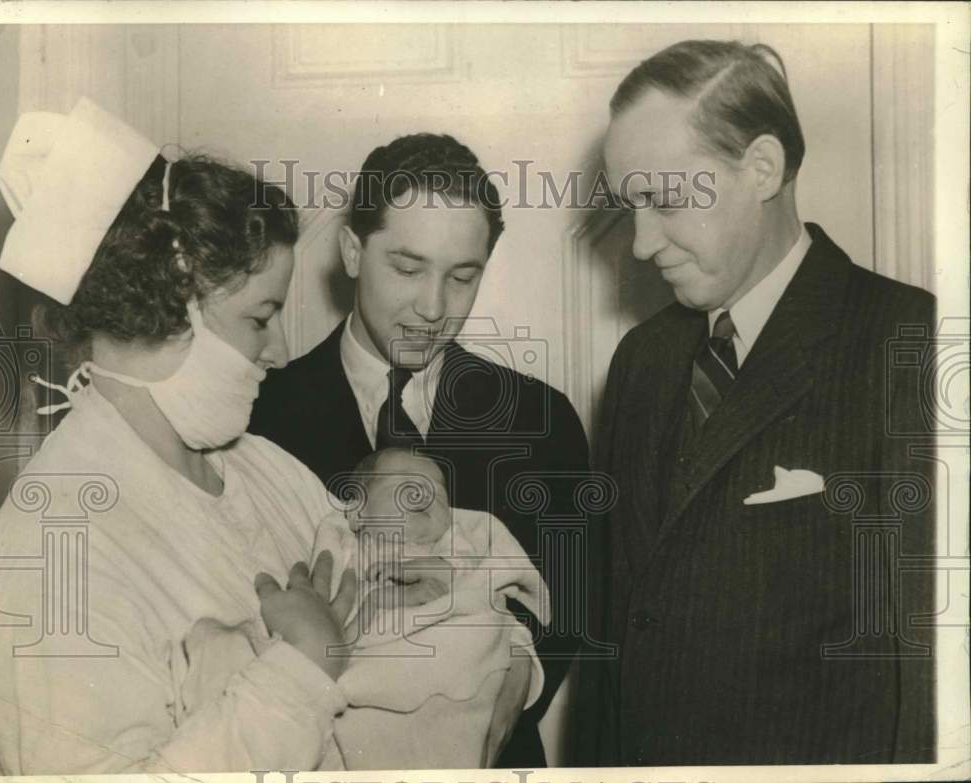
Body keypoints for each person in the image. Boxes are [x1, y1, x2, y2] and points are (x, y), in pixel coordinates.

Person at [0, 99, 524, 774]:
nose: (280, 348)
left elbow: (399, 591)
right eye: (260, 317)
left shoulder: (262, 468)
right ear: (162, 311)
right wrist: (299, 669)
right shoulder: (52, 548)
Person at [579, 40, 936, 765]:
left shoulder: (911, 342)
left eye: (666, 200)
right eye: (629, 207)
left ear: (762, 167)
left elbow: (930, 678)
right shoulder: (640, 362)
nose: (642, 244)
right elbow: (616, 637)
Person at [249, 133, 592, 767]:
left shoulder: (542, 420)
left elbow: (568, 604)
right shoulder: (258, 413)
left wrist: (526, 667)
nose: (433, 308)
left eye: (463, 277)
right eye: (407, 269)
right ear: (353, 251)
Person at [197, 448, 551, 769]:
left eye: (439, 492)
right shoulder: (346, 550)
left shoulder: (451, 545)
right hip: (372, 674)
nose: (424, 494)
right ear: (357, 512)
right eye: (404, 486)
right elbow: (334, 615)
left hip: (451, 667)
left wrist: (421, 570)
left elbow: (472, 582)